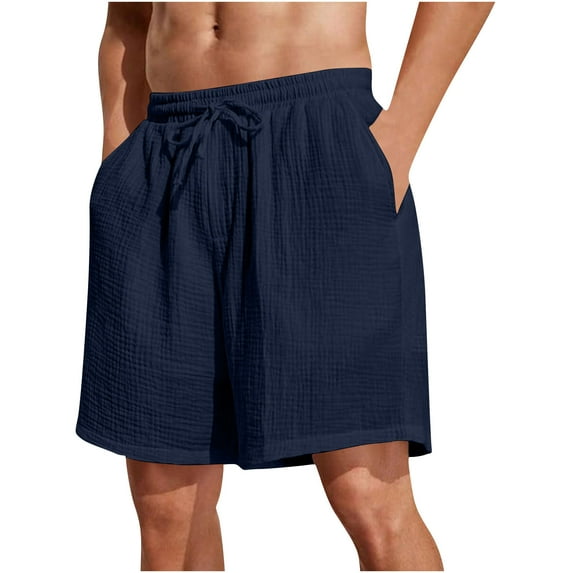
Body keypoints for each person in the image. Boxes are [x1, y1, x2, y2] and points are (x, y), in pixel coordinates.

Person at [75, 2, 494, 570]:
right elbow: (128, 19)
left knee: (366, 491)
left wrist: (397, 140)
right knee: (168, 512)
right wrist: (119, 161)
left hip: (316, 142)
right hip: (165, 155)